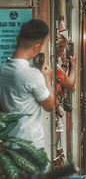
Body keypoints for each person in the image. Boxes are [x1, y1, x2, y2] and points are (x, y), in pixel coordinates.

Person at [0, 19, 55, 157]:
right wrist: (48, 79)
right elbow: (50, 105)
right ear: (37, 47)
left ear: (18, 39)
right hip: (30, 146)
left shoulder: (2, 69)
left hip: (8, 144)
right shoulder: (32, 74)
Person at [54, 34, 76, 148]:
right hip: (54, 110)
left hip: (55, 108)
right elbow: (70, 84)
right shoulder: (54, 67)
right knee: (54, 145)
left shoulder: (56, 66)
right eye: (63, 48)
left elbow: (59, 80)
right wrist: (73, 66)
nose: (63, 51)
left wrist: (64, 65)